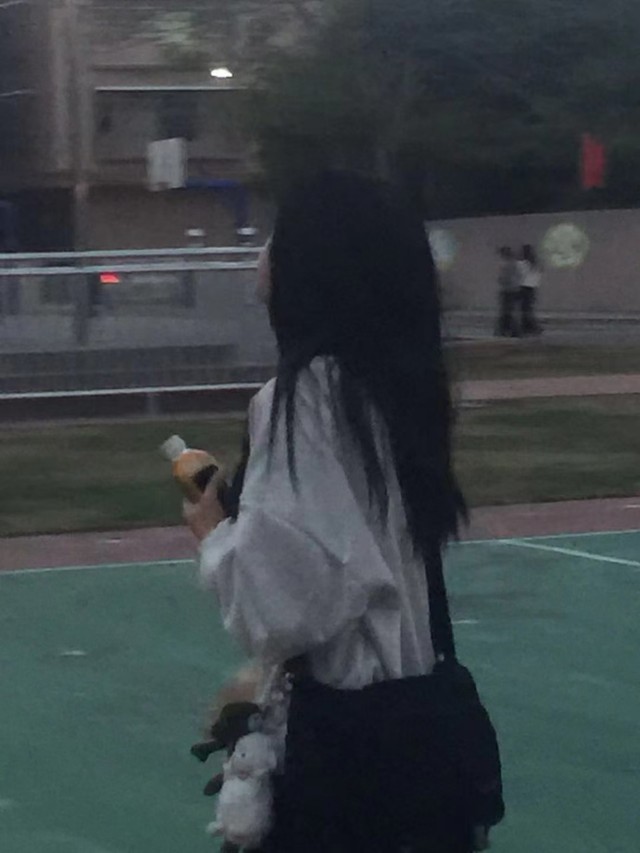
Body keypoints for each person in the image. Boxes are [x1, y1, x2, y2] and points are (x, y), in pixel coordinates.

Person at [185, 172, 494, 852]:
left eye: (277, 237)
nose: (262, 254)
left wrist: (215, 537)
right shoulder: (395, 391)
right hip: (417, 744)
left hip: (349, 763)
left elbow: (283, 606)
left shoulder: (305, 399)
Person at [495, 246, 520, 337]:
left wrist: (501, 281)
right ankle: (512, 330)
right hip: (513, 289)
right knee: (510, 311)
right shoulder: (514, 264)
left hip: (506, 290)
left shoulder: (504, 264)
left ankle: (505, 330)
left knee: (505, 311)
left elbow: (502, 278)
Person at [518, 244, 542, 335]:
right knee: (529, 309)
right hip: (532, 288)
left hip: (524, 287)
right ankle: (530, 327)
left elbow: (519, 274)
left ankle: (529, 327)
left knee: (524, 309)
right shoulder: (536, 264)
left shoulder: (522, 264)